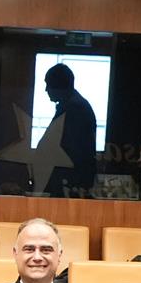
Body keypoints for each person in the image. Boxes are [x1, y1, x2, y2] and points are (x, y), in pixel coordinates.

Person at [39, 63, 100, 196]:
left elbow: (69, 149)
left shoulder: (74, 108)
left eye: (48, 85)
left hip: (68, 182)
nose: (46, 89)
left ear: (58, 86)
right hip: (71, 181)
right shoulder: (76, 105)